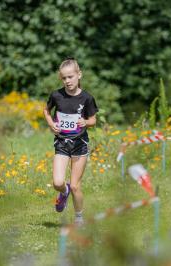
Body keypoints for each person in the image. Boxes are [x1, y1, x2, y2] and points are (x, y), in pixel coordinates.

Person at [43, 58, 98, 226]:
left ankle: (79, 218)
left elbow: (93, 120)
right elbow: (46, 110)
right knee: (58, 182)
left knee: (76, 186)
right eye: (64, 78)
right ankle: (63, 191)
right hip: (62, 143)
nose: (67, 81)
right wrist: (51, 124)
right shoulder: (56, 95)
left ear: (79, 75)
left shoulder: (87, 98)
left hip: (79, 144)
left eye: (70, 77)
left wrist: (85, 122)